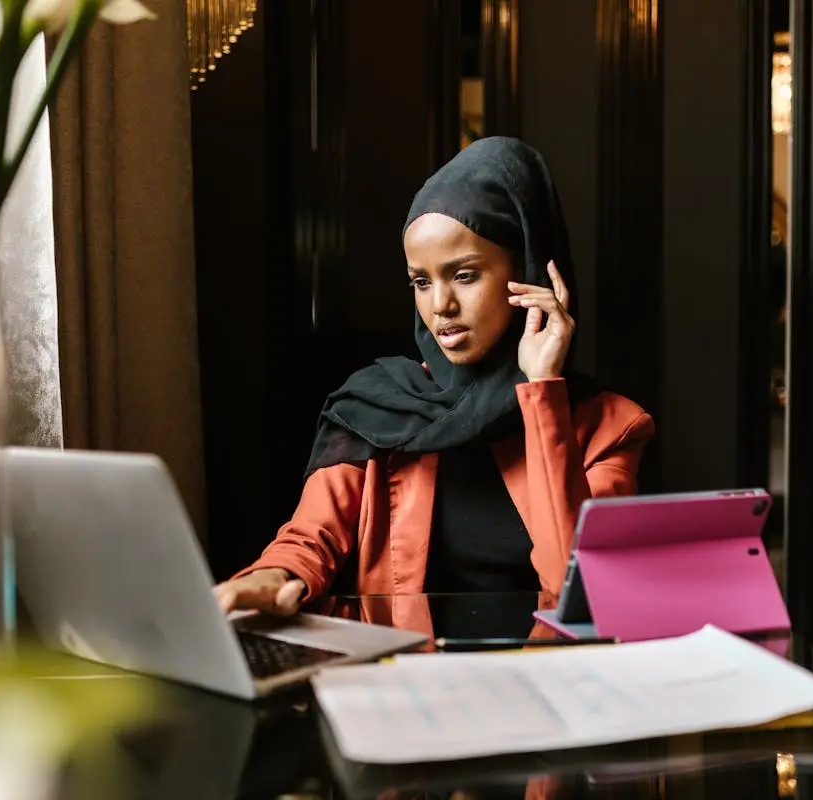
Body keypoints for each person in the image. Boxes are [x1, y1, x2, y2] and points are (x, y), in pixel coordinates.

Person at [214, 136, 654, 617]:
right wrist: (271, 578)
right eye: (421, 282)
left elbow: (580, 591)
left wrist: (542, 390)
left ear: (528, 273)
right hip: (404, 676)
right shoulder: (375, 409)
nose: (439, 306)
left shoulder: (609, 426)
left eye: (464, 275)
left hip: (542, 680)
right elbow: (309, 539)